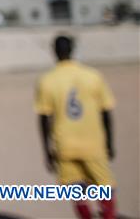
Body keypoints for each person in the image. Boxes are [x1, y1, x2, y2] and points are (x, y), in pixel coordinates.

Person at [36, 35, 117, 219]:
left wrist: (47, 150)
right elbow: (106, 112)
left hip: (65, 146)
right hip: (94, 144)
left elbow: (43, 119)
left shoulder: (47, 80)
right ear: (73, 50)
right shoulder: (93, 76)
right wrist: (110, 143)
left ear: (54, 51)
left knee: (77, 191)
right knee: (105, 189)